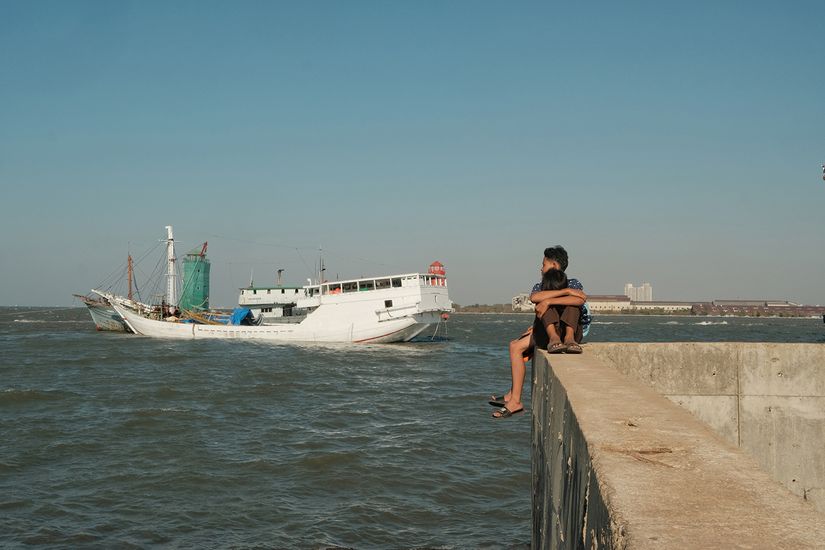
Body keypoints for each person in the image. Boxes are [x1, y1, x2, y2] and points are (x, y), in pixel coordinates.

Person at [491, 246, 589, 419]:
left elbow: (580, 299)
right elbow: (534, 297)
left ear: (554, 265)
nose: (540, 268)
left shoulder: (573, 283)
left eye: (543, 264)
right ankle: (514, 398)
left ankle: (568, 339)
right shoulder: (542, 286)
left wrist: (550, 300)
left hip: (571, 331)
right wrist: (563, 293)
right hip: (548, 333)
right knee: (515, 345)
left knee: (569, 305)